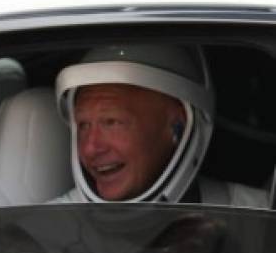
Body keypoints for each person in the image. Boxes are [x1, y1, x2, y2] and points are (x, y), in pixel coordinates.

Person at [53, 44, 267, 207]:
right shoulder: (43, 239)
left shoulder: (260, 218)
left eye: (111, 122)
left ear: (178, 125)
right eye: (83, 126)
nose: (90, 148)